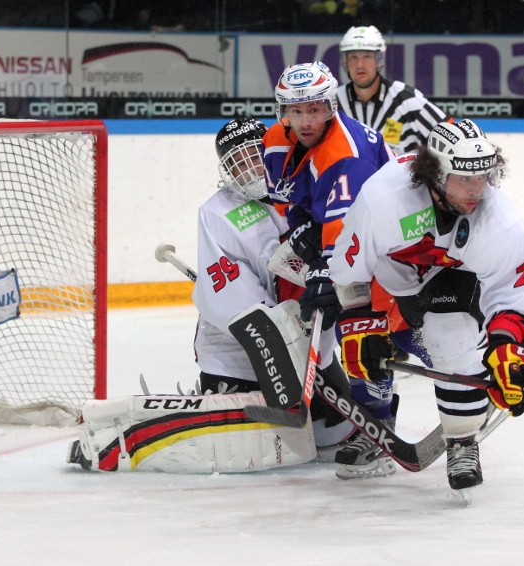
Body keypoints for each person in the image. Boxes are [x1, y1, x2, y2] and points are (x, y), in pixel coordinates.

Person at [67, 118, 353, 473]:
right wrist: (286, 346)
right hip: (239, 355)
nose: (249, 169)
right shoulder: (218, 212)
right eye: (238, 162)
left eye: (255, 156)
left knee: (338, 435)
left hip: (306, 344)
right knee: (258, 441)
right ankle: (125, 436)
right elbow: (241, 308)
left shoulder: (302, 189)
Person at [328, 119, 524, 490]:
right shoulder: (383, 200)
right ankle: (374, 424)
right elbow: (349, 271)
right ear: (435, 174)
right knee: (363, 351)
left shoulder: (501, 221)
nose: (477, 190)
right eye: (465, 179)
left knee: (451, 339)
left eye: (483, 177)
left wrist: (507, 347)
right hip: (390, 279)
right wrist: (361, 323)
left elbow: (510, 293)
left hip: (454, 278)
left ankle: (462, 439)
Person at [262, 60, 397, 478]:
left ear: (331, 107)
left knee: (365, 330)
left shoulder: (346, 154)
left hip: (389, 240)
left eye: (315, 109)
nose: (305, 121)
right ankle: (370, 422)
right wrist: (301, 225)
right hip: (349, 239)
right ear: (283, 110)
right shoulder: (274, 139)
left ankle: (381, 430)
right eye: (295, 111)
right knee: (355, 330)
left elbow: (346, 233)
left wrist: (323, 268)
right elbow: (287, 198)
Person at [336, 25, 447, 154]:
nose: (360, 65)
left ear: (379, 59)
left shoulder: (406, 99)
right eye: (353, 57)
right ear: (345, 61)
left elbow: (450, 135)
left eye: (367, 56)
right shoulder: (333, 102)